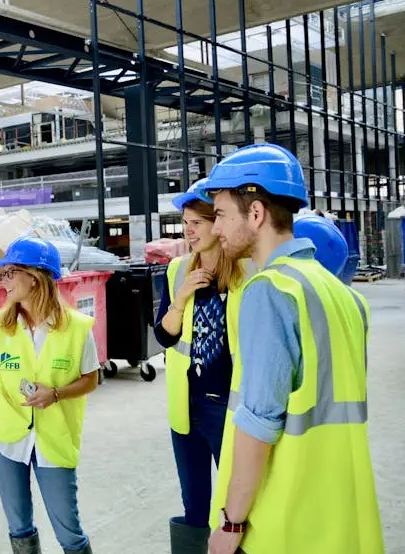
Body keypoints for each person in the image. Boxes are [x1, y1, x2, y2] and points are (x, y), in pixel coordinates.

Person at [200, 143, 382, 554]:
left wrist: (231, 523)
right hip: (341, 513)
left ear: (256, 213)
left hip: (285, 518)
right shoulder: (345, 296)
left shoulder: (271, 290)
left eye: (222, 215)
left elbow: (260, 421)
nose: (215, 229)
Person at [0, 237, 99, 554]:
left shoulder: (77, 328)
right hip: (7, 437)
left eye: (10, 272)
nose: (3, 280)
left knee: (69, 532)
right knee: (19, 527)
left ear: (34, 277)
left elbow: (91, 379)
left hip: (54, 437)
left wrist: (56, 394)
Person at [153, 178, 248, 554]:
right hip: (187, 405)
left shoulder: (247, 272)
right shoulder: (177, 270)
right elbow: (164, 337)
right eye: (185, 223)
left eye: (197, 223)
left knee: (235, 506)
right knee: (194, 504)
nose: (188, 231)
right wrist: (181, 299)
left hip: (229, 408)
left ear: (218, 224)